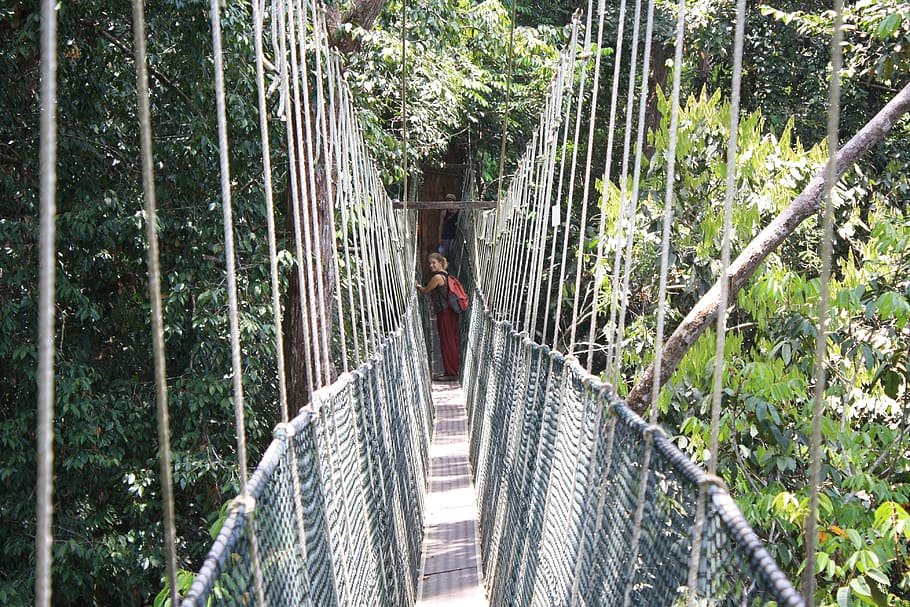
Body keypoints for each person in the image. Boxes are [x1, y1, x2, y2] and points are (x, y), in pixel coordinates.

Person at [416, 252, 460, 379]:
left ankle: (451, 373)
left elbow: (425, 290)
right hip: (450, 313)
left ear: (441, 263)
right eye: (429, 263)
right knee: (451, 340)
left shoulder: (437, 277)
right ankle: (452, 371)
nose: (431, 265)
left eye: (434, 263)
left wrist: (418, 286)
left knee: (447, 342)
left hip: (444, 314)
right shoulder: (446, 275)